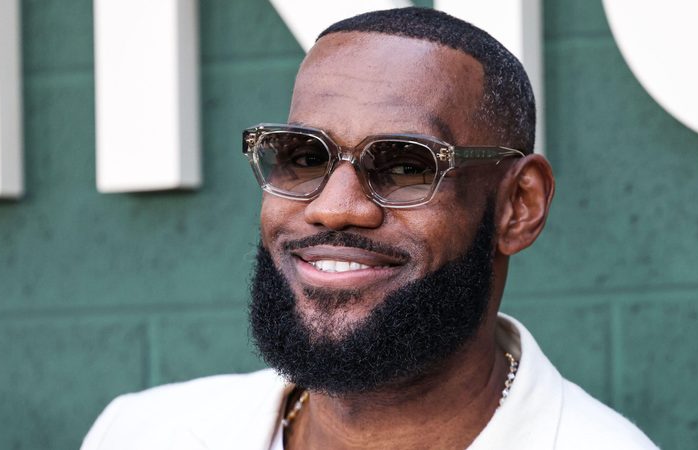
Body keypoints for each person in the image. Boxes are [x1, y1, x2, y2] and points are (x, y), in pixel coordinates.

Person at [82, 7, 658, 450]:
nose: (335, 208)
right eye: (304, 157)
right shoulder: (143, 433)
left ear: (518, 205)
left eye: (407, 165)